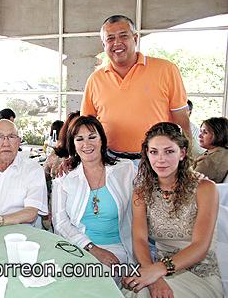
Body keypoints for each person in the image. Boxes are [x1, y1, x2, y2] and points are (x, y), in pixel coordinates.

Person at [122, 122, 222, 297]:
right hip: (157, 271)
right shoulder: (141, 192)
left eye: (169, 151)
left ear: (182, 153)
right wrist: (154, 277)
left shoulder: (205, 188)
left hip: (199, 273)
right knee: (138, 292)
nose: (161, 159)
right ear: (147, 154)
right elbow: (139, 239)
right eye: (154, 152)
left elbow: (200, 247)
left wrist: (157, 271)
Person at [81, 15, 191, 161]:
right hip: (110, 160)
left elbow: (181, 120)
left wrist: (187, 157)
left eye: (123, 36)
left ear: (135, 38)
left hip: (156, 161)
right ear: (104, 45)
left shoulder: (166, 70)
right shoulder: (95, 79)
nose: (117, 43)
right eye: (110, 38)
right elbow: (85, 125)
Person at [52, 116, 135, 273]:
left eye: (92, 137)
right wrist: (92, 248)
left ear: (102, 140)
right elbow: (60, 222)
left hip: (117, 249)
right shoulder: (64, 178)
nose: (86, 144)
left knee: (95, 279)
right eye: (79, 139)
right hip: (77, 246)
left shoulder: (125, 170)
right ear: (73, 144)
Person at [193, 117, 228, 183]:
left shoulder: (210, 161)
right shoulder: (222, 151)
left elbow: (187, 183)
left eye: (205, 132)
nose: (200, 136)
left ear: (219, 135)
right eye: (200, 131)